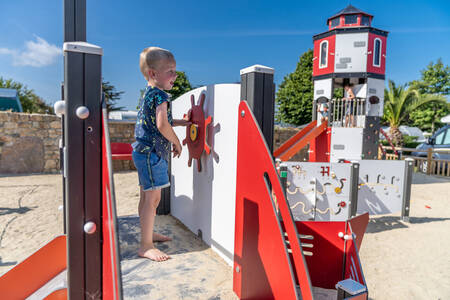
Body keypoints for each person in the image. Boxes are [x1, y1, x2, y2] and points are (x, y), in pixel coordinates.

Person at [132, 47, 190, 261]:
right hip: (151, 154)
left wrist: (184, 122)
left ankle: (148, 234)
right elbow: (162, 124)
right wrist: (177, 141)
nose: (175, 75)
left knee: (145, 196)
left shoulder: (148, 94)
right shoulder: (160, 94)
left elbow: (158, 122)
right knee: (153, 198)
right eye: (170, 71)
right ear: (153, 74)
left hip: (141, 152)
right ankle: (146, 246)